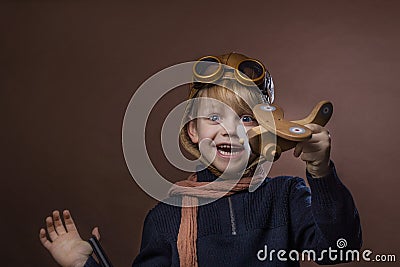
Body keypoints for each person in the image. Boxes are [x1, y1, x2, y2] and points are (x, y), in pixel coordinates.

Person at [40, 52, 362, 266]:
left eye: (247, 119)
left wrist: (321, 174)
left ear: (267, 129)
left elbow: (340, 250)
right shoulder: (166, 217)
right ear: (193, 130)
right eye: (214, 118)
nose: (230, 131)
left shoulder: (287, 196)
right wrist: (84, 262)